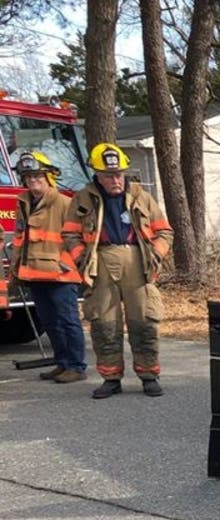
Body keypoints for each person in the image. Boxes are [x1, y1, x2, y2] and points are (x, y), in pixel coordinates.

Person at [65, 142, 173, 399]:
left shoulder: (141, 196)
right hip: (101, 261)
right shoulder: (83, 198)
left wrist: (155, 254)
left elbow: (165, 231)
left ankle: (149, 375)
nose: (115, 179)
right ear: (97, 175)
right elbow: (70, 233)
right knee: (104, 324)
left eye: (118, 174)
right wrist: (82, 260)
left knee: (144, 321)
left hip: (137, 261)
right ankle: (111, 378)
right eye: (108, 175)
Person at [9, 151, 87, 383]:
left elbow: (80, 237)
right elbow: (20, 239)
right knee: (49, 321)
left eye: (37, 176)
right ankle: (62, 363)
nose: (33, 181)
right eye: (28, 177)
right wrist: (15, 270)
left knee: (68, 320)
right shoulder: (24, 202)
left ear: (48, 177)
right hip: (34, 274)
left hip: (61, 275)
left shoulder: (64, 203)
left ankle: (76, 366)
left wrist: (72, 265)